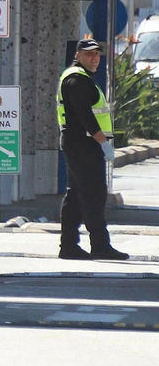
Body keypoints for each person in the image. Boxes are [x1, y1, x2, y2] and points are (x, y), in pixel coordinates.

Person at [57, 40, 128, 260]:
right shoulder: (77, 80)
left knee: (77, 195)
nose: (94, 58)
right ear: (78, 55)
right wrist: (103, 142)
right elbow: (84, 116)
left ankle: (68, 246)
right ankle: (100, 245)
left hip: (80, 143)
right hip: (84, 144)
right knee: (94, 195)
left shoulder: (81, 77)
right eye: (89, 54)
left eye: (97, 54)